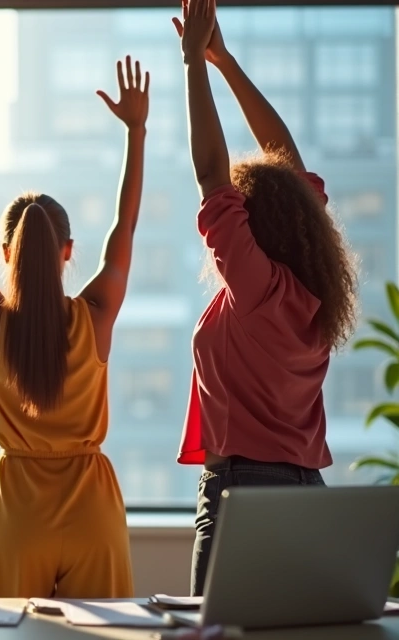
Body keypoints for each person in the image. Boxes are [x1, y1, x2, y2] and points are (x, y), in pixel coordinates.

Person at [0, 56, 148, 598]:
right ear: (68, 250)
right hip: (91, 511)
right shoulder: (95, 313)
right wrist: (136, 131)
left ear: (7, 252)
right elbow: (126, 224)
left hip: (18, 514)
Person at [175, 0, 357, 596]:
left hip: (245, 492)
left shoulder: (256, 288)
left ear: (252, 222)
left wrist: (193, 67)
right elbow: (289, 162)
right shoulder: (311, 288)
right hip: (306, 493)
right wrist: (223, 60)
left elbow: (210, 174)